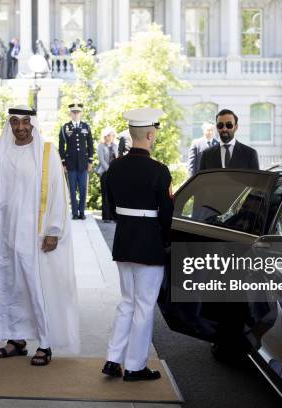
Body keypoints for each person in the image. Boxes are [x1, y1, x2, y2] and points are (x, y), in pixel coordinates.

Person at [0, 105, 79, 366]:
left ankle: (45, 344)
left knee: (37, 287)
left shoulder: (47, 154)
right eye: (15, 122)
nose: (20, 127)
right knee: (10, 285)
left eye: (25, 122)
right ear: (9, 124)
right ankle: (15, 339)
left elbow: (59, 194)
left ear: (33, 123)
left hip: (35, 234)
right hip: (6, 233)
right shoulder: (0, 152)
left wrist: (54, 230)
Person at [102, 108, 173, 381]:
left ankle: (112, 359)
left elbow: (109, 206)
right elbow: (166, 214)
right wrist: (166, 241)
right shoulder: (159, 170)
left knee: (127, 302)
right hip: (148, 244)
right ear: (151, 134)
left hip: (124, 240)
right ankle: (134, 366)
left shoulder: (115, 167)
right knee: (144, 305)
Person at [58, 103, 93, 220]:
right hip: (70, 164)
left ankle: (82, 212)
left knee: (83, 189)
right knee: (72, 190)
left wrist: (90, 161)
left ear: (81, 113)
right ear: (70, 113)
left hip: (83, 164)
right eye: (74, 112)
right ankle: (74, 213)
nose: (76, 114)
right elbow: (61, 146)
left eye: (78, 112)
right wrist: (63, 163)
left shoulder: (86, 127)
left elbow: (90, 145)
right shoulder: (65, 127)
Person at [96, 127, 118, 222]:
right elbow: (101, 160)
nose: (109, 137)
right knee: (105, 195)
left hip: (114, 174)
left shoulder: (115, 146)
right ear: (104, 136)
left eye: (111, 135)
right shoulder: (101, 146)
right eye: (108, 135)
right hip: (105, 173)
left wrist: (114, 171)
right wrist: (109, 170)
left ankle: (113, 216)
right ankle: (106, 217)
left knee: (113, 195)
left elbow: (117, 158)